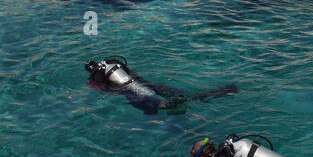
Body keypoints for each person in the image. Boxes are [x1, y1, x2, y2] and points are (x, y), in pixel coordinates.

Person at [84, 56, 237, 115]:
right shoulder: (113, 63)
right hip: (148, 83)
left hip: (131, 92)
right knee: (184, 95)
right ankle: (223, 92)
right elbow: (131, 72)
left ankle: (173, 106)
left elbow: (109, 90)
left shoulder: (95, 77)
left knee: (159, 107)